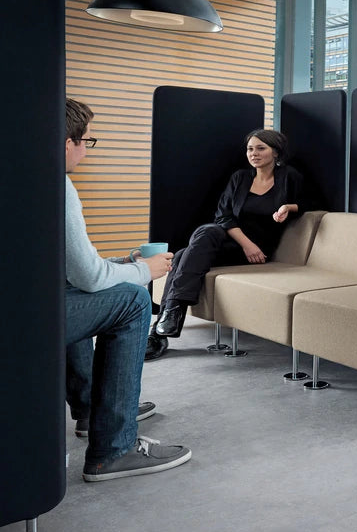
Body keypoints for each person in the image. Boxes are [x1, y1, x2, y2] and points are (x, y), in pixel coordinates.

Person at [64, 98, 192, 481]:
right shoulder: (57, 185)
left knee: (94, 291)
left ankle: (92, 411)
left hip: (2, 308)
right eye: (87, 141)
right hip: (19, 319)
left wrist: (125, 262)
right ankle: (113, 450)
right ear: (67, 142)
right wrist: (143, 271)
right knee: (135, 300)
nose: (87, 150)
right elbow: (89, 278)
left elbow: (71, 270)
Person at [146, 129, 303, 360]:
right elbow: (223, 215)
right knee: (207, 230)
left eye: (261, 148)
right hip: (236, 243)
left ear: (276, 152)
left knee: (181, 256)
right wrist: (247, 244)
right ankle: (169, 317)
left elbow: (310, 202)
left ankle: (159, 332)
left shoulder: (289, 176)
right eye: (250, 149)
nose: (254, 153)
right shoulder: (240, 177)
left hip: (260, 249)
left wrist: (288, 207)